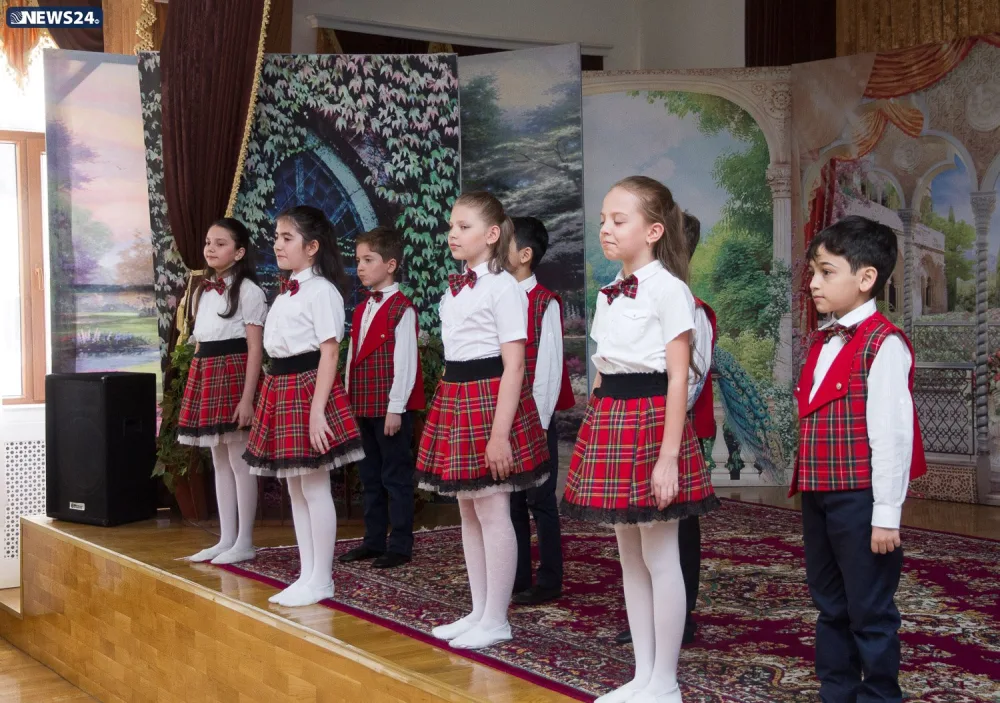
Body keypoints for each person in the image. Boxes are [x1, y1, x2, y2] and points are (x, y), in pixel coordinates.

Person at [563, 176, 720, 703]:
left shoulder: (670, 290)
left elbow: (680, 377)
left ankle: (667, 682)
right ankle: (643, 674)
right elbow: (605, 368)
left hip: (652, 421)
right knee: (628, 556)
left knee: (660, 556)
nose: (606, 228)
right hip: (613, 418)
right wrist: (595, 425)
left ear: (654, 230)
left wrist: (669, 458)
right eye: (603, 219)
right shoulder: (611, 288)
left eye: (618, 220)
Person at [795, 215, 926, 703]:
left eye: (826, 272)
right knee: (829, 602)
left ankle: (880, 697)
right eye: (812, 272)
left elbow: (892, 437)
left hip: (861, 500)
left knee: (869, 609)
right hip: (819, 493)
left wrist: (886, 516)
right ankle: (838, 691)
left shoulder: (883, 343)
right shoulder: (824, 341)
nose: (813, 283)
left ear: (866, 277)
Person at [417, 191, 550, 651]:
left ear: (493, 235)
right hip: (456, 397)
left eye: (465, 226)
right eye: (452, 225)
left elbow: (514, 365)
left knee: (494, 511)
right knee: (468, 510)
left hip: (490, 400)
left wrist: (499, 435)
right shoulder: (454, 289)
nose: (453, 233)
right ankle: (477, 611)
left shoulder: (504, 288)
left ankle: (497, 618)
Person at [244, 205, 364, 608]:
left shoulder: (322, 291)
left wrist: (318, 411)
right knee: (295, 486)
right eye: (277, 237)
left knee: (313, 486)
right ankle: (307, 573)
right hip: (281, 386)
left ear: (311, 247)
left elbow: (330, 353)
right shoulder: (288, 289)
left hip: (309, 387)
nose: (277, 244)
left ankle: (323, 578)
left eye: (287, 238)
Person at [616, 212, 714, 647]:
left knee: (678, 531)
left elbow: (689, 378)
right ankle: (648, 622)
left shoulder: (690, 307)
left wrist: (660, 425)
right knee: (637, 534)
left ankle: (680, 616)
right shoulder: (624, 295)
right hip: (639, 429)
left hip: (671, 429)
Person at [178, 218, 267, 565]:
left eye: (221, 243)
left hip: (234, 373)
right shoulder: (202, 290)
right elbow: (203, 340)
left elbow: (255, 348)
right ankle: (226, 537)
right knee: (218, 460)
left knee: (238, 459)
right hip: (207, 373)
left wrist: (247, 398)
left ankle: (244, 540)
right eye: (208, 242)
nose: (211, 249)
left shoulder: (249, 291)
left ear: (239, 251)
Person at [339, 226, 424, 569]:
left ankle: (400, 544)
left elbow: (405, 363)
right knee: (370, 477)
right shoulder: (362, 309)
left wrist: (396, 408)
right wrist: (346, 399)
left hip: (390, 408)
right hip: (361, 404)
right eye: (358, 260)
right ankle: (373, 541)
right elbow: (351, 357)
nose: (360, 266)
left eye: (368, 259)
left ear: (390, 265)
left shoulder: (403, 309)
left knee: (395, 477)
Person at [506, 216, 575, 605]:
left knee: (540, 500)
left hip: (535, 418)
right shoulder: (496, 296)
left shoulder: (544, 303)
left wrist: (538, 421)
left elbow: (549, 369)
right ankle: (515, 576)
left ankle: (549, 579)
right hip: (502, 417)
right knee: (510, 499)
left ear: (526, 254)